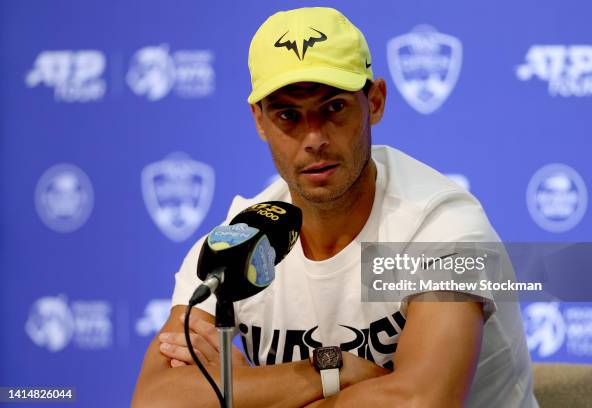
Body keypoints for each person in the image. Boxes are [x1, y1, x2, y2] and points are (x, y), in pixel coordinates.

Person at [132, 7, 538, 407]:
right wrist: (329, 368)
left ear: (374, 101)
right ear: (259, 120)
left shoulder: (441, 227)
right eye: (288, 115)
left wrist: (243, 390)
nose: (314, 138)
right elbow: (154, 399)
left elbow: (420, 401)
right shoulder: (243, 238)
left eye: (334, 108)